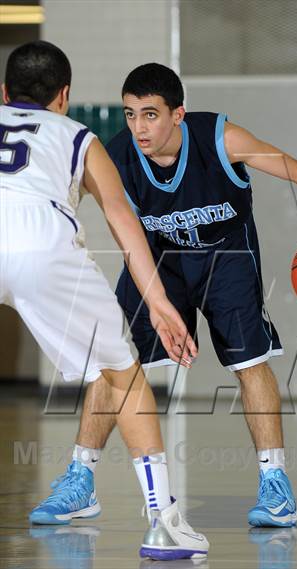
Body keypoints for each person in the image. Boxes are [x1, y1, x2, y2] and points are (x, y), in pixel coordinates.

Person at [35, 63, 297, 531]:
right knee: (111, 361)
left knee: (249, 364)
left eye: (151, 115)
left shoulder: (221, 139)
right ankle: (80, 479)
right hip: (160, 263)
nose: (138, 127)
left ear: (179, 114)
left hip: (228, 257)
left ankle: (275, 485)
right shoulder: (116, 157)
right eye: (131, 114)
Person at [1, 42, 209, 561]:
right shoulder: (78, 137)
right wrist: (159, 304)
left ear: (4, 93)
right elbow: (124, 225)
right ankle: (164, 523)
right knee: (123, 373)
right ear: (64, 96)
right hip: (40, 245)